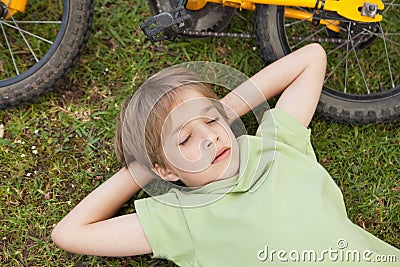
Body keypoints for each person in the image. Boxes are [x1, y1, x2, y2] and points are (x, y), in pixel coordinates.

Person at [51, 43, 400, 266]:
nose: (208, 139)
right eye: (185, 138)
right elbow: (70, 233)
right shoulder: (181, 219)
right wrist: (144, 168)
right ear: (166, 169)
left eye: (211, 122)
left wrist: (225, 110)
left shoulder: (276, 146)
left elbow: (312, 58)